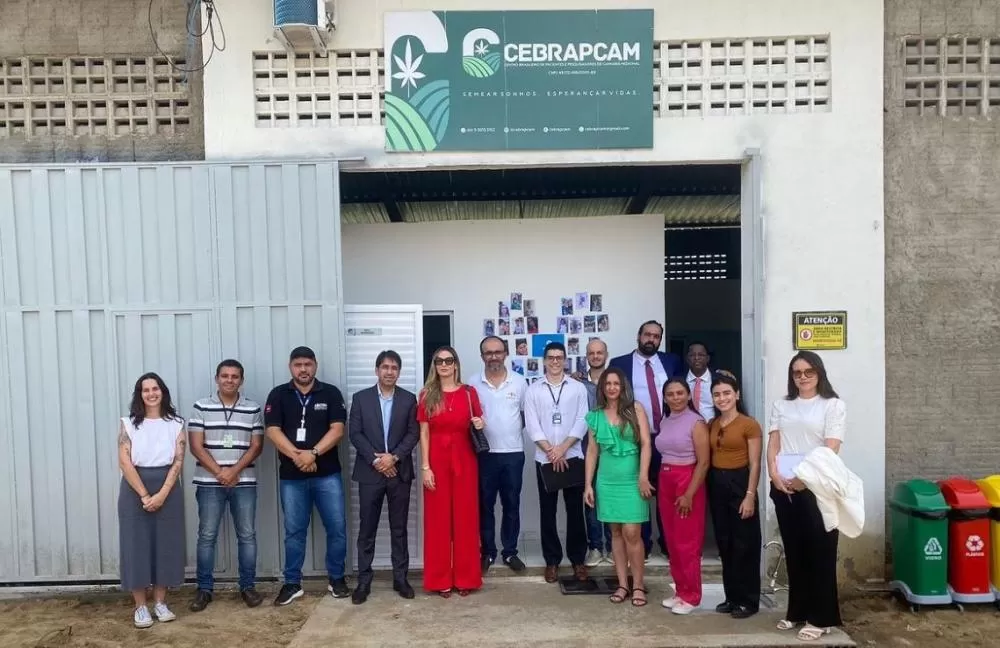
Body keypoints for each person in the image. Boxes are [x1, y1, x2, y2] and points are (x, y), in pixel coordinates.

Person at [767, 351, 846, 642]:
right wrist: (774, 474)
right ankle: (797, 611)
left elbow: (831, 447)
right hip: (784, 486)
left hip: (817, 487)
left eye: (808, 371)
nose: (802, 377)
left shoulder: (832, 405)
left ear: (819, 373)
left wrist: (805, 478)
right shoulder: (782, 405)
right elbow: (774, 442)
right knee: (795, 552)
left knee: (820, 552)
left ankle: (821, 618)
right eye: (797, 372)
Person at [265, 346, 351, 606]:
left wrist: (312, 454)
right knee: (294, 531)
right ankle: (292, 583)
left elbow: (337, 430)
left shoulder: (331, 393)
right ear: (290, 367)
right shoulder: (279, 394)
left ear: (315, 365)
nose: (303, 369)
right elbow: (273, 431)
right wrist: (299, 457)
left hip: (328, 476)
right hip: (292, 477)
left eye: (308, 364)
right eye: (298, 364)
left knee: (336, 528)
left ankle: (336, 578)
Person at [188, 359, 265, 612]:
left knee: (247, 535)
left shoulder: (252, 408)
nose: (229, 380)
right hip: (209, 482)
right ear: (216, 378)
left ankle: (248, 586)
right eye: (225, 376)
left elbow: (257, 446)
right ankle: (204, 589)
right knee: (207, 535)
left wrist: (234, 471)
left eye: (234, 376)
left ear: (241, 380)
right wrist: (220, 472)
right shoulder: (201, 406)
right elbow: (196, 446)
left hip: (244, 481)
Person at [349, 350, 419, 604]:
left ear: (399, 372)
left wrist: (394, 458)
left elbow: (413, 433)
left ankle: (401, 579)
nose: (390, 372)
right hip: (370, 473)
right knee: (367, 529)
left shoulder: (409, 399)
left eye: (394, 368)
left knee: (399, 528)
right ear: (377, 370)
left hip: (399, 473)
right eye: (385, 367)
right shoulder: (361, 398)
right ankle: (364, 581)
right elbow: (355, 433)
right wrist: (377, 460)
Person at [117, 372, 186, 628]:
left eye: (155, 388)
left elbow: (178, 460)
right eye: (145, 390)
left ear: (162, 391)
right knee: (135, 545)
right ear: (140, 394)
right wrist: (145, 495)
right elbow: (124, 461)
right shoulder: (128, 424)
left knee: (165, 545)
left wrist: (163, 493)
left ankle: (160, 602)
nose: (151, 394)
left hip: (168, 487)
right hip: (135, 488)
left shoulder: (176, 424)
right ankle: (140, 607)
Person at [608, 320, 683, 558]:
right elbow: (612, 394)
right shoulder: (620, 363)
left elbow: (684, 389)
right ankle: (643, 545)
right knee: (638, 492)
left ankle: (668, 543)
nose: (651, 339)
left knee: (666, 493)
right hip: (635, 439)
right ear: (638, 336)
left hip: (667, 438)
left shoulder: (671, 362)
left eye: (656, 336)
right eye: (647, 335)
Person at [583, 367, 653, 606]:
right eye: (608, 384)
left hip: (632, 480)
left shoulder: (636, 409)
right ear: (602, 388)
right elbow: (592, 451)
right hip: (606, 481)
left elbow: (646, 444)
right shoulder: (595, 415)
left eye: (616, 383)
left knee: (632, 532)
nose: (612, 387)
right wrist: (588, 485)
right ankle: (622, 584)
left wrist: (643, 477)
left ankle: (638, 585)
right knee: (615, 533)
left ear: (623, 386)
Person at [419, 346, 485, 596]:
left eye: (449, 360)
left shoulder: (469, 393)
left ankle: (466, 578)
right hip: (436, 459)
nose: (444, 365)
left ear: (456, 364)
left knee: (466, 519)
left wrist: (480, 422)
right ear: (434, 366)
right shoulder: (427, 395)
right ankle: (439, 579)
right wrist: (426, 467)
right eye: (439, 361)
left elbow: (479, 421)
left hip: (464, 458)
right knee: (437, 520)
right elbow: (424, 433)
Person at [525, 341, 590, 584]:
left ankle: (578, 560)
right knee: (548, 512)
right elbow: (532, 425)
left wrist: (562, 449)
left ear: (565, 360)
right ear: (544, 361)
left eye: (559, 357)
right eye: (550, 357)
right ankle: (552, 561)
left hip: (572, 457)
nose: (555, 361)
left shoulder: (577, 388)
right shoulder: (534, 390)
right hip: (544, 459)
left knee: (575, 512)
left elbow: (583, 420)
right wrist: (551, 452)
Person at [467, 336, 529, 573]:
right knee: (485, 505)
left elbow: (525, 416)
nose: (493, 356)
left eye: (498, 352)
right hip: (484, 454)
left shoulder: (520, 382)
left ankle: (510, 552)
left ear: (505, 353)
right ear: (482, 356)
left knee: (512, 504)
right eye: (488, 352)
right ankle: (488, 552)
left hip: (513, 453)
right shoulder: (472, 383)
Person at [707, 370, 762, 619]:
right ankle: (731, 597)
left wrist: (750, 495)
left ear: (737, 395)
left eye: (727, 393)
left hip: (741, 484)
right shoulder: (712, 424)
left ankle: (748, 600)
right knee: (725, 542)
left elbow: (755, 463)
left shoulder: (749, 424)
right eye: (717, 394)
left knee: (744, 544)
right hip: (717, 483)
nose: (722, 398)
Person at [657, 377, 710, 615]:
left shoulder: (696, 422)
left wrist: (689, 493)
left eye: (680, 393)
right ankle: (680, 590)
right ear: (665, 398)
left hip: (687, 480)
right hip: (665, 478)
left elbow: (704, 462)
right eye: (670, 394)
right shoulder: (665, 420)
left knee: (687, 541)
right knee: (672, 540)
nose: (675, 398)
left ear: (688, 395)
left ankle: (692, 595)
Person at [574, 338, 613, 566]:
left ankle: (614, 547)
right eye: (591, 353)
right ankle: (596, 548)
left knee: (611, 498)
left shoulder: (616, 381)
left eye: (600, 352)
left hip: (612, 450)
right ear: (586, 356)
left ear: (606, 354)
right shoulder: (577, 383)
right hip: (586, 450)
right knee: (590, 499)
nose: (596, 356)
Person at [684, 342, 715, 421]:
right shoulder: (679, 380)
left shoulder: (718, 379)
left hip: (713, 425)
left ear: (708, 358)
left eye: (701, 355)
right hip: (686, 425)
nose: (696, 358)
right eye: (692, 355)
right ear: (687, 359)